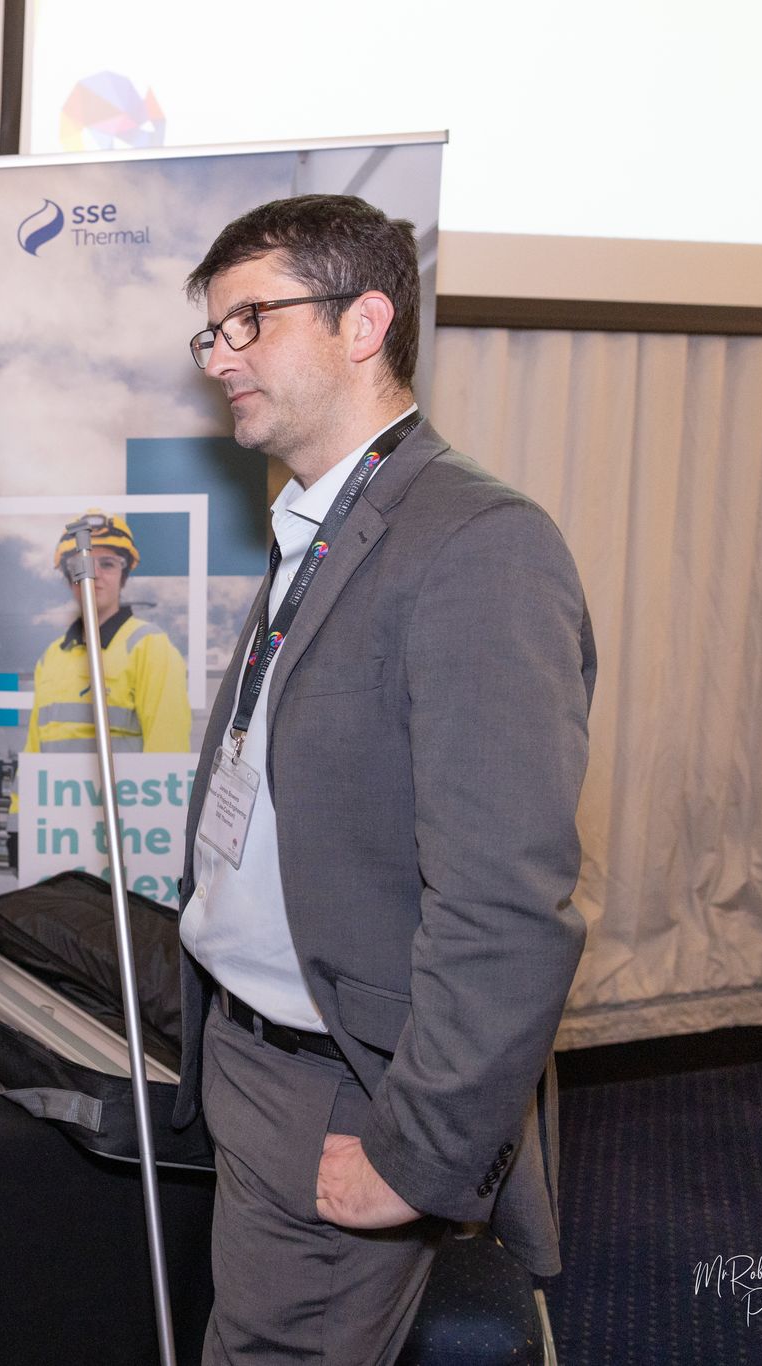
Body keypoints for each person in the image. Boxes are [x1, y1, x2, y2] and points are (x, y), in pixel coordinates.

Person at [171, 196, 593, 1364]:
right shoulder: (323, 516)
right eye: (210, 333)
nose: (219, 359)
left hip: (342, 1090)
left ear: (362, 324)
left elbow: (505, 905)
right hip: (254, 1053)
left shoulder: (475, 544)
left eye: (248, 321)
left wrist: (417, 1153)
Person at [24, 511, 191, 755]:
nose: (94, 575)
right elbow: (33, 752)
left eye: (107, 564)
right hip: (54, 783)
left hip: (122, 783)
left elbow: (168, 752)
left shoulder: (150, 647)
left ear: (123, 576)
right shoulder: (51, 656)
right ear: (69, 578)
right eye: (81, 565)